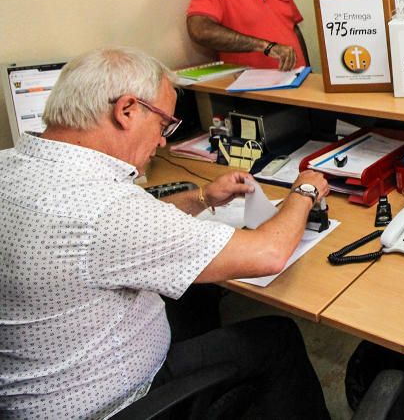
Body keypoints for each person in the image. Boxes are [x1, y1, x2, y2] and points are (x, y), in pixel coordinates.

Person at [0, 47, 331, 418]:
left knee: (196, 297)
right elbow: (268, 254)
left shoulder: (10, 165)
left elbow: (127, 231)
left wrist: (203, 197)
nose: (162, 142)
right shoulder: (104, 208)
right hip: (117, 402)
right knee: (278, 337)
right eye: (162, 125)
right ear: (126, 110)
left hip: (33, 392)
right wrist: (303, 191)